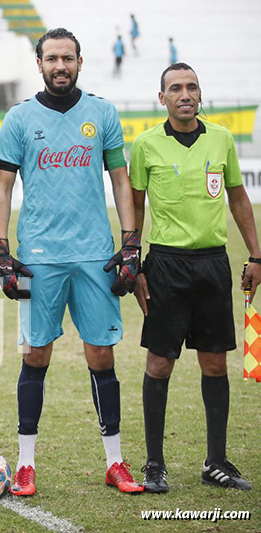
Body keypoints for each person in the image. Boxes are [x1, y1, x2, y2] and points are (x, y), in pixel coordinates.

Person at [0, 27, 144, 497]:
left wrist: (131, 242)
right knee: (35, 354)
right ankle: (25, 465)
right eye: (52, 58)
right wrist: (1, 249)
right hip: (38, 257)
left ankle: (115, 462)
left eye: (68, 58)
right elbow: (2, 187)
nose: (60, 66)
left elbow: (120, 179)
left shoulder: (102, 112)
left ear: (80, 62)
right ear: (39, 64)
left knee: (102, 355)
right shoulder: (19, 117)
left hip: (96, 254)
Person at [130, 63, 260, 493]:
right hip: (165, 266)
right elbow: (135, 205)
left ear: (200, 94)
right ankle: (154, 464)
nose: (185, 94)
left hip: (212, 265)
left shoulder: (221, 139)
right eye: (175, 88)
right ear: (162, 98)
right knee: (159, 363)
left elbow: (238, 198)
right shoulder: (145, 145)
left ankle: (216, 462)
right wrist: (133, 261)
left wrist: (257, 256)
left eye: (191, 87)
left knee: (215, 362)